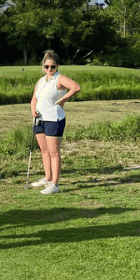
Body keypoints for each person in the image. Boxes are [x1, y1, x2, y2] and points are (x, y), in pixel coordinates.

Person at [29, 50, 81, 195]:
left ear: (57, 66)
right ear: (43, 67)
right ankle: (48, 178)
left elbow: (76, 88)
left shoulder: (59, 79)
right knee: (44, 151)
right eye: (47, 66)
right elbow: (34, 98)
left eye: (52, 66)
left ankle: (55, 184)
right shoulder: (41, 80)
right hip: (40, 119)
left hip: (54, 119)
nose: (50, 69)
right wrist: (33, 108)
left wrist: (64, 99)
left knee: (53, 152)